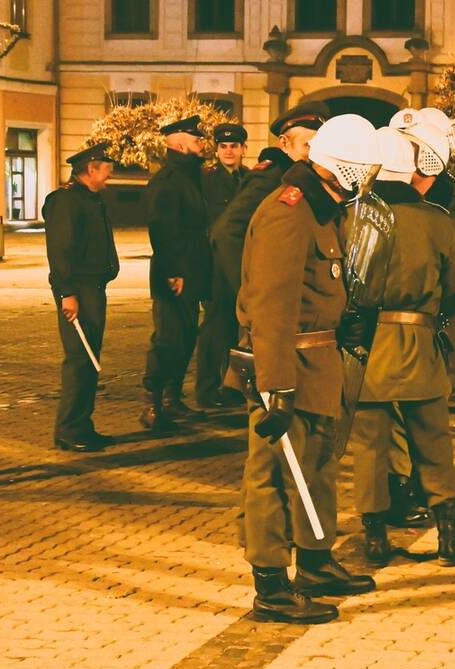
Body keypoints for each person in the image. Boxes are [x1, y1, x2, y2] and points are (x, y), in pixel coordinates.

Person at [231, 114, 381, 625]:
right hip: (287, 362)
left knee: (315, 467)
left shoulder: (322, 209)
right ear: (345, 168)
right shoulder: (289, 213)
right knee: (272, 475)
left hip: (317, 361)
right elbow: (271, 305)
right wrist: (274, 385)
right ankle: (271, 584)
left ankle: (314, 562)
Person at [349, 120, 455, 569]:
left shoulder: (354, 216)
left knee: (369, 447)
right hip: (420, 340)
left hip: (368, 347)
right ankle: (448, 535)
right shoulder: (436, 221)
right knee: (434, 440)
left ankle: (376, 539)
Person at [203, 103, 329, 408]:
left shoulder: (304, 177)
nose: (312, 152)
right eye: (306, 144)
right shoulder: (272, 177)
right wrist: (248, 287)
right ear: (284, 143)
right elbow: (226, 231)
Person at [43, 142, 120, 452]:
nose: (108, 179)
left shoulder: (90, 200)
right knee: (79, 360)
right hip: (79, 290)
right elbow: (60, 252)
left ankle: (82, 425)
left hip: (94, 289)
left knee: (89, 360)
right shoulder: (67, 202)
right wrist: (67, 293)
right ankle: (69, 429)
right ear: (91, 169)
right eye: (107, 172)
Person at [140, 115, 211, 431]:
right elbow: (162, 230)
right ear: (180, 143)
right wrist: (173, 272)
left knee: (185, 338)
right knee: (168, 339)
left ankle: (172, 400)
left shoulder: (190, 177)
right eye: (197, 141)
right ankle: (152, 405)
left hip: (192, 272)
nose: (201, 146)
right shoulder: (167, 180)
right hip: (174, 275)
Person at [195, 123, 247, 408]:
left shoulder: (249, 178)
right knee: (214, 328)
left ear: (242, 149)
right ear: (216, 150)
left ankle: (231, 386)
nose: (229, 151)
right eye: (224, 147)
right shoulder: (206, 179)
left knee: (236, 327)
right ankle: (206, 388)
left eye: (234, 146)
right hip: (215, 265)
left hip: (239, 263)